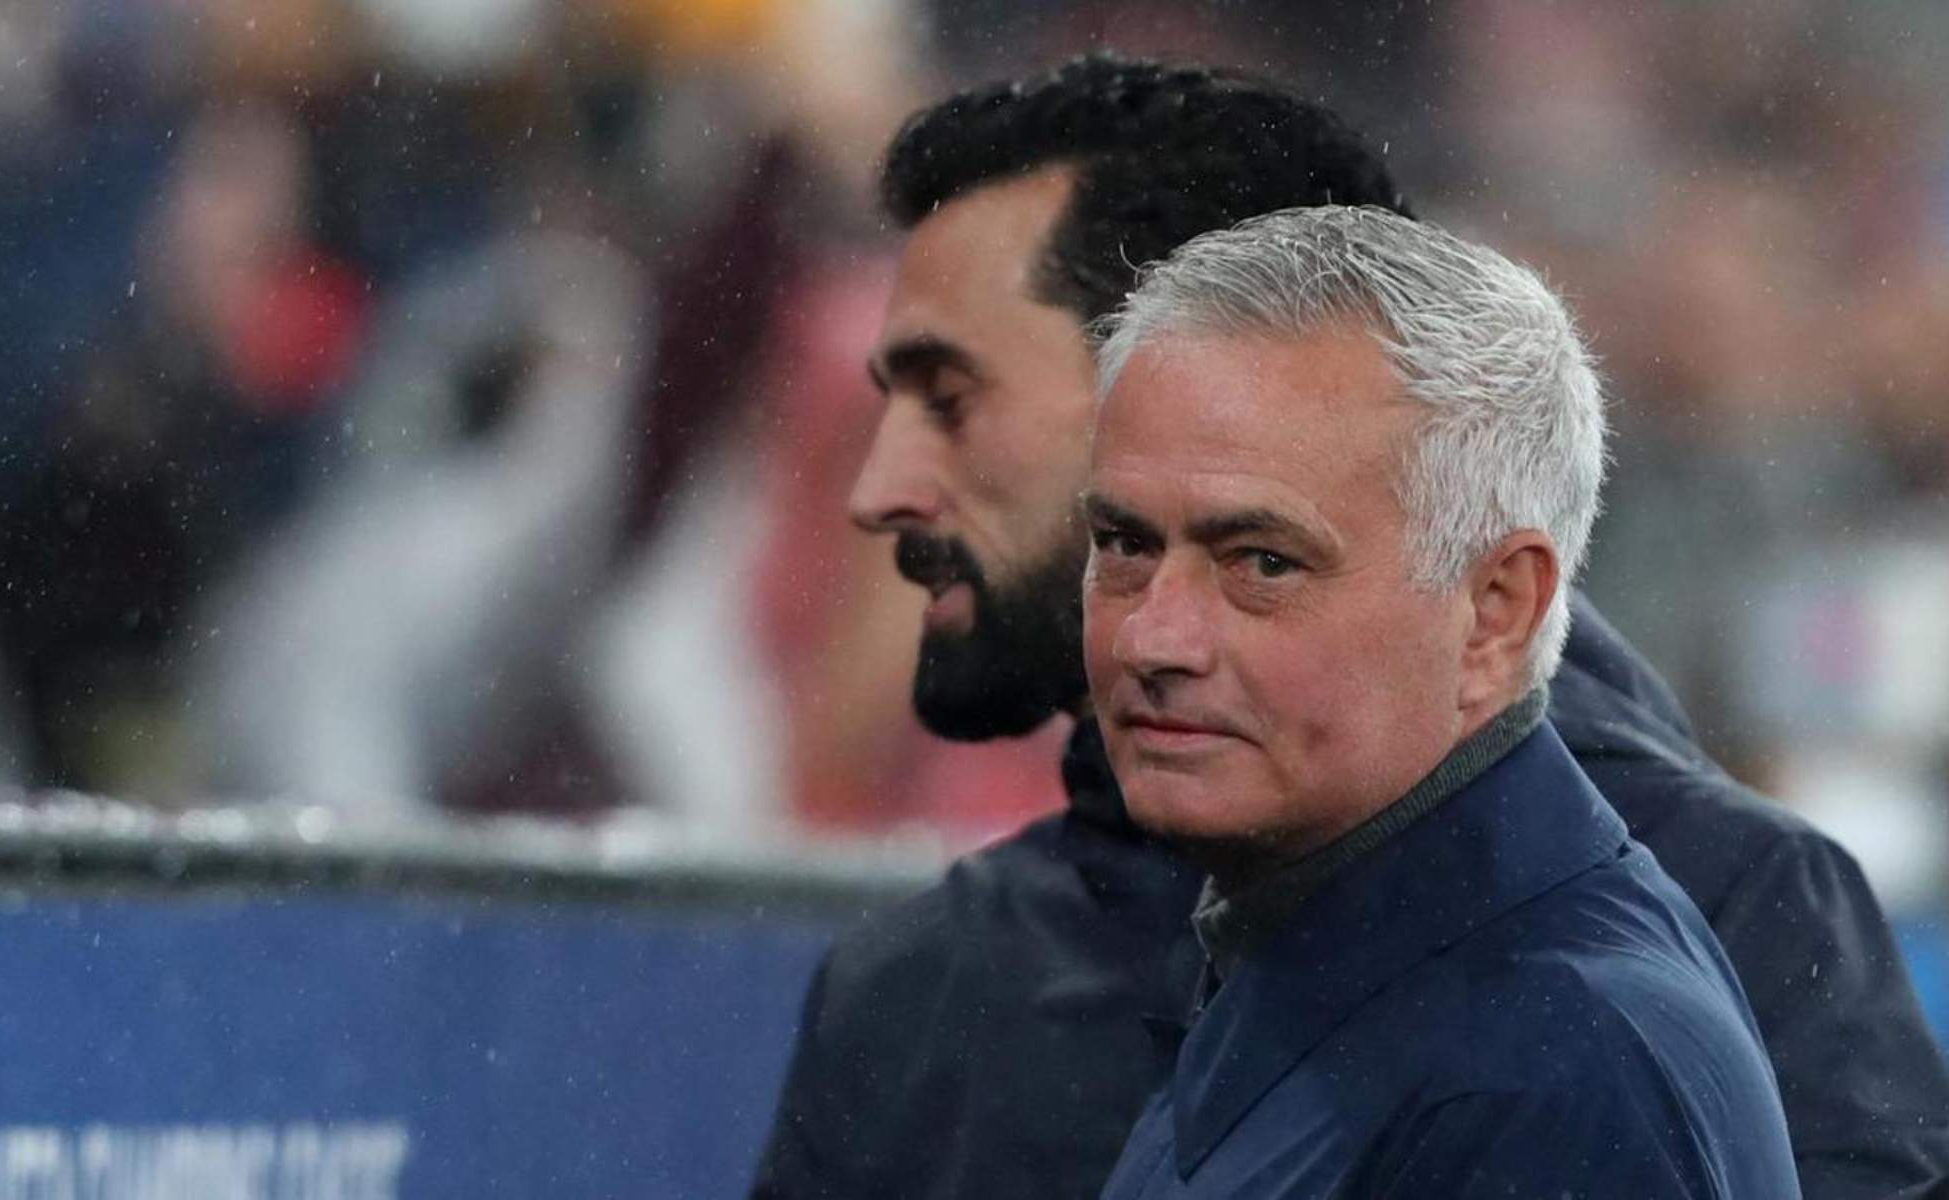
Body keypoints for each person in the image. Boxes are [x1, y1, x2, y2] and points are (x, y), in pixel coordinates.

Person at [751, 56, 1949, 1200]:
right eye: (1124, 540)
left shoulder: (1648, 969)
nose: (883, 489)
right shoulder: (940, 985)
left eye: (952, 399)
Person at [1085, 203, 1793, 1197]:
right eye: (1123, 546)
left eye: (1260, 562)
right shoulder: (1322, 948)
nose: (1149, 638)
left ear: (1493, 612)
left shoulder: (1554, 1070)